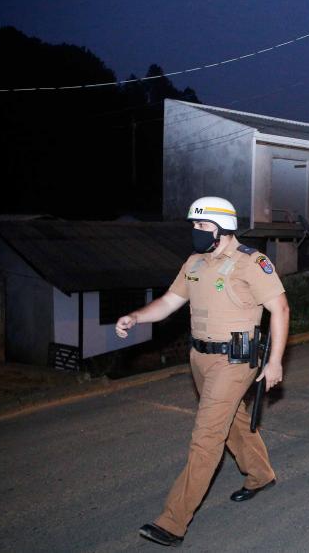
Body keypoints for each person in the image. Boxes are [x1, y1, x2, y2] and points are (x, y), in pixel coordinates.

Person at [117, 196, 289, 547]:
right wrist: (135, 317)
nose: (195, 232)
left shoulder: (251, 262)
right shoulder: (195, 262)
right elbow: (169, 302)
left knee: (206, 437)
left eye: (201, 226)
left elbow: (281, 309)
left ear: (223, 228)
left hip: (235, 360)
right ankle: (260, 474)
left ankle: (173, 521)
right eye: (193, 225)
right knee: (232, 422)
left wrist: (274, 362)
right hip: (200, 358)